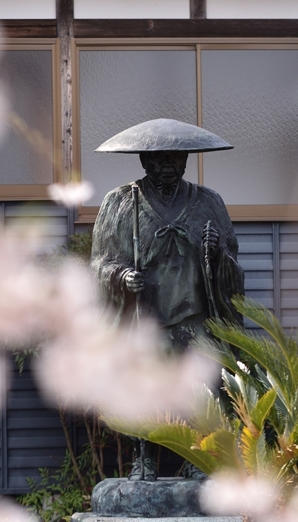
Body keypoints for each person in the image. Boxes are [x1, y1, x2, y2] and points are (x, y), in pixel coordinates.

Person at [90, 119, 246, 480]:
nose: (167, 165)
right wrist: (121, 277)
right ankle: (142, 457)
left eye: (175, 158)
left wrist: (217, 256)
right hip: (146, 320)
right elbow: (98, 265)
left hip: (193, 317)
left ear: (187, 159)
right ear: (144, 161)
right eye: (159, 159)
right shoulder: (120, 204)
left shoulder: (208, 203)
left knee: (205, 383)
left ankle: (198, 455)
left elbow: (233, 269)